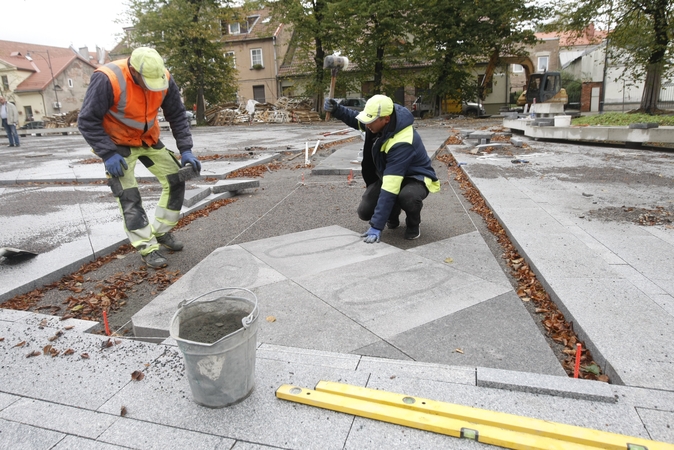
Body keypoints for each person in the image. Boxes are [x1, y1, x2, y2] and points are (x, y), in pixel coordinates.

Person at [78, 47, 201, 268]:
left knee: (176, 179)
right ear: (133, 71)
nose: (150, 86)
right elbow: (87, 120)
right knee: (129, 195)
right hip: (117, 144)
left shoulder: (164, 77)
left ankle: (161, 232)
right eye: (145, 81)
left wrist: (186, 149)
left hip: (148, 139)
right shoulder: (108, 78)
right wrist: (107, 153)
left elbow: (177, 115)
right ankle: (147, 247)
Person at [324, 94, 440, 243]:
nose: (366, 125)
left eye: (370, 122)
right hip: (391, 174)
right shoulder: (377, 123)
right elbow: (357, 120)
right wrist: (337, 109)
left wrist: (377, 226)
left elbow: (391, 187)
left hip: (415, 178)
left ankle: (413, 224)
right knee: (365, 211)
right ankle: (393, 214)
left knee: (408, 197)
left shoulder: (403, 141)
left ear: (386, 119)